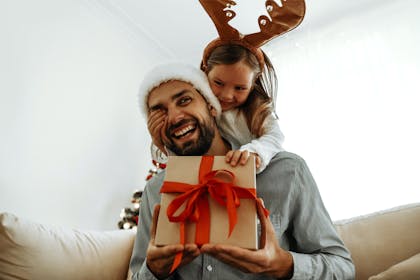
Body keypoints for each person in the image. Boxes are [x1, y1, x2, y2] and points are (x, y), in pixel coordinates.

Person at [130, 62, 355, 279]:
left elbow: (342, 267)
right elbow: (138, 275)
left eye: (185, 100)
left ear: (211, 105)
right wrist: (154, 271)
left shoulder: (288, 171)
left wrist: (281, 264)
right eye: (159, 112)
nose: (175, 117)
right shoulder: (156, 190)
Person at [147, 43, 284, 174]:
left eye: (240, 88)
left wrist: (255, 151)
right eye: (218, 83)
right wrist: (160, 143)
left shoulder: (257, 112)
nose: (227, 96)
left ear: (252, 86)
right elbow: (178, 155)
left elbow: (275, 137)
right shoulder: (198, 111)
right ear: (205, 74)